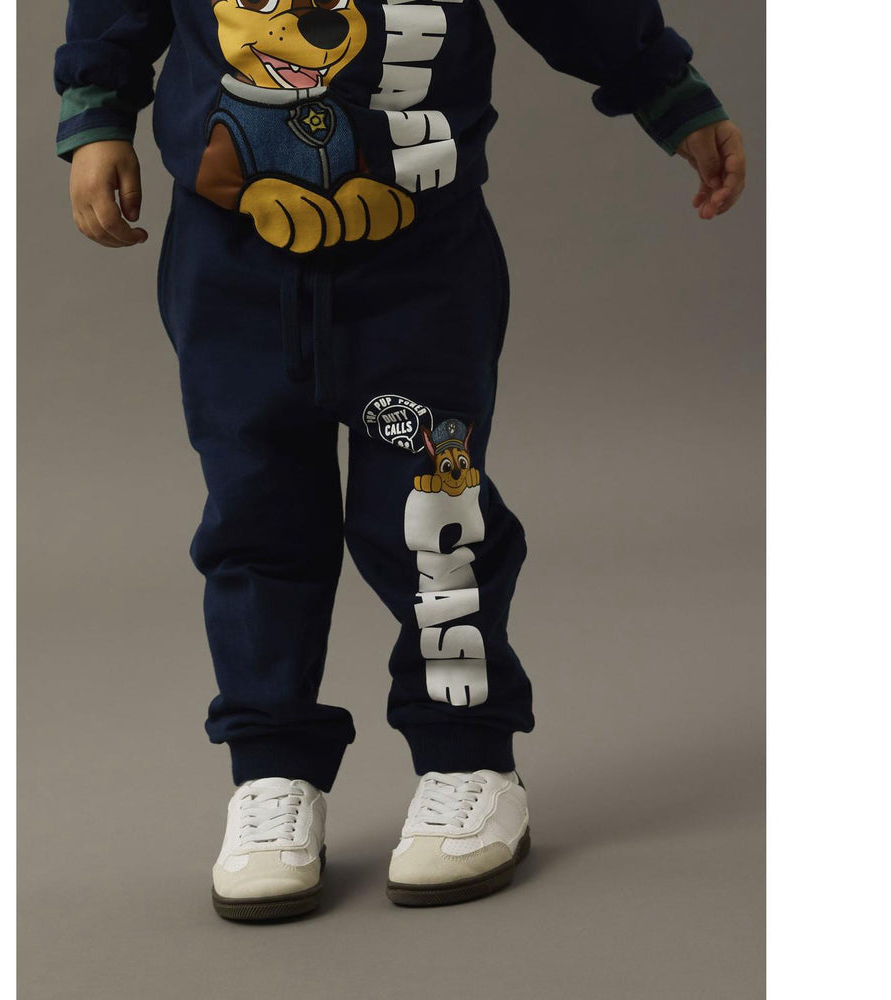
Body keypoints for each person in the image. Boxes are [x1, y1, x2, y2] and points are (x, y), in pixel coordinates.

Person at [55, 0, 746, 921]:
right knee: (256, 518)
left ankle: (468, 756)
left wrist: (668, 90)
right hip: (232, 265)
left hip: (420, 263)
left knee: (431, 515)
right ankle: (271, 770)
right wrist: (98, 113)